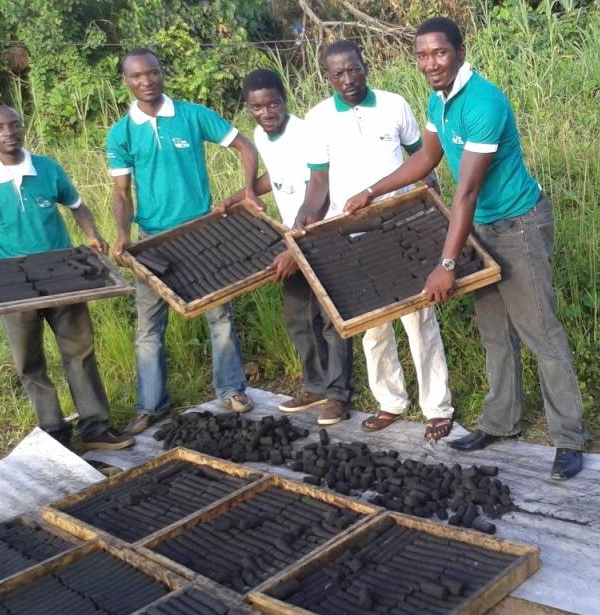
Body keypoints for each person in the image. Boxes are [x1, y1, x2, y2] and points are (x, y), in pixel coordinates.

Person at [343, 17, 587, 479]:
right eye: (422, 55)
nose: (430, 63)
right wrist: (372, 192)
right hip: (480, 226)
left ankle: (568, 438)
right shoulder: (440, 100)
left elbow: (467, 192)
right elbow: (426, 158)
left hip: (517, 225)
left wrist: (447, 262)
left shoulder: (483, 102)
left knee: (541, 332)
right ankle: (502, 421)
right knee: (494, 329)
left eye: (439, 53)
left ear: (459, 50)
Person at [0, 105, 133, 451]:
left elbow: (76, 205)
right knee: (29, 361)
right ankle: (55, 430)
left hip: (61, 273)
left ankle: (95, 427)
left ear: (22, 128)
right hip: (8, 282)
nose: (9, 132)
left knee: (80, 351)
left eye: (14, 125)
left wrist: (90, 232)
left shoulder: (46, 168)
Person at [295, 40, 454, 438]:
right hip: (351, 234)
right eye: (338, 73)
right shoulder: (316, 121)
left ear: (365, 66)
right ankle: (391, 402)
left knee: (419, 318)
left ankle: (437, 406)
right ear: (326, 77)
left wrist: (431, 209)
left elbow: (424, 159)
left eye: (354, 69)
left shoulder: (394, 105)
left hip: (402, 227)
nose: (348, 80)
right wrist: (303, 222)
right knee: (373, 326)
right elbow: (318, 184)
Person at [108, 48, 261, 435]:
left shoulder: (192, 115)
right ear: (126, 81)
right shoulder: (121, 132)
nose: (146, 82)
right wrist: (123, 234)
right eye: (137, 76)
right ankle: (151, 407)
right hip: (152, 242)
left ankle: (230, 389)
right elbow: (122, 192)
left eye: (153, 73)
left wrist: (246, 192)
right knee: (148, 326)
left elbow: (245, 145)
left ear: (163, 73)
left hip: (200, 233)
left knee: (220, 315)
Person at [216, 68, 352, 426]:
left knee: (329, 319)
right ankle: (316, 385)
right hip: (290, 236)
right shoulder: (261, 135)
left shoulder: (307, 133)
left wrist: (296, 245)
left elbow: (318, 191)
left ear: (284, 99)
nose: (265, 113)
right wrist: (238, 197)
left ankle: (338, 395)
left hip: (319, 234)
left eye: (272, 104)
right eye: (256, 107)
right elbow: (274, 177)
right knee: (298, 318)